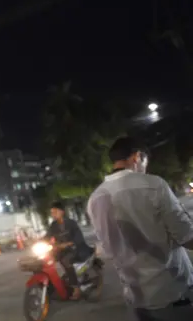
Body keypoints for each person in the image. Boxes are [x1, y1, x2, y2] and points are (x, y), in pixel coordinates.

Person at [88, 137, 193, 321]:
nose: (145, 169)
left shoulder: (95, 199)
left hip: (134, 297)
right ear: (137, 157)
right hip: (171, 292)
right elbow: (186, 237)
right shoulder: (153, 185)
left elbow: (107, 247)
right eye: (145, 162)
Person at [44, 201, 91, 300]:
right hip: (61, 249)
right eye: (52, 213)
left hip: (75, 249)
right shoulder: (54, 225)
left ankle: (76, 289)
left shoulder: (71, 223)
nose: (53, 214)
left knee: (66, 260)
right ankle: (52, 287)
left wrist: (69, 243)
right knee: (44, 260)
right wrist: (37, 242)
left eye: (55, 212)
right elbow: (47, 236)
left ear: (62, 212)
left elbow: (79, 238)